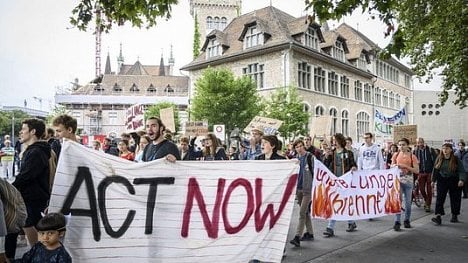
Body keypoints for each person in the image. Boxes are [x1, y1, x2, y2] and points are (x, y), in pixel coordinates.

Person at [12, 118, 51, 247]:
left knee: (30, 227)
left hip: (33, 198)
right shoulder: (36, 150)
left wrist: (10, 189)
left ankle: (38, 254)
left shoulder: (36, 152)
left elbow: (26, 176)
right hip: (33, 198)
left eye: (23, 129)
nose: (20, 132)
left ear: (33, 131)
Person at [322, 133, 357, 237]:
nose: (334, 143)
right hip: (335, 181)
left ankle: (350, 222)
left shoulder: (349, 153)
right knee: (336, 203)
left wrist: (354, 167)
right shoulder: (331, 153)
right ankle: (330, 227)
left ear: (340, 141)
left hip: (345, 181)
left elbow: (353, 164)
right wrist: (326, 156)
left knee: (344, 202)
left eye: (335, 141)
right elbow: (325, 166)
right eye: (333, 141)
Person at [431, 143, 467, 225]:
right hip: (442, 179)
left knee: (455, 198)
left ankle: (454, 215)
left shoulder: (456, 159)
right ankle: (438, 216)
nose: (445, 150)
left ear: (451, 150)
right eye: (443, 148)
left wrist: (461, 179)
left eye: (447, 148)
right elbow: (435, 170)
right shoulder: (439, 158)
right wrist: (433, 180)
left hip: (454, 180)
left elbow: (461, 170)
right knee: (440, 198)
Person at [289, 139, 314, 247]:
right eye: (297, 147)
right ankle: (310, 232)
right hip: (298, 189)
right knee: (305, 212)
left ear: (304, 146)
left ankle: (297, 236)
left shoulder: (310, 157)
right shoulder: (296, 159)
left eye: (300, 146)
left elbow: (317, 171)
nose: (299, 148)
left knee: (302, 213)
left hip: (308, 190)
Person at [391, 138, 419, 231]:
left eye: (403, 145)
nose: (401, 147)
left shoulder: (412, 156)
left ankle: (407, 220)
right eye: (399, 145)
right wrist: (395, 166)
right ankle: (397, 221)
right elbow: (391, 166)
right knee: (398, 201)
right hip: (398, 181)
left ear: (407, 145)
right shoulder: (396, 154)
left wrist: (406, 166)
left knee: (408, 203)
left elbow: (416, 170)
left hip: (408, 181)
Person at [413, 137, 437, 212]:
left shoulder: (430, 150)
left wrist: (435, 172)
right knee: (421, 189)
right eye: (418, 142)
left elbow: (436, 161)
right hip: (420, 173)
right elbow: (413, 162)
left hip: (429, 172)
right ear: (416, 143)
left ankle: (428, 205)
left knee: (429, 189)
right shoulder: (415, 151)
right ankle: (427, 200)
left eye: (421, 142)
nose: (419, 144)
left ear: (423, 142)